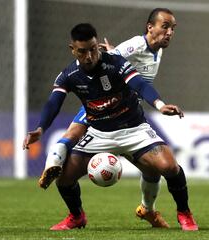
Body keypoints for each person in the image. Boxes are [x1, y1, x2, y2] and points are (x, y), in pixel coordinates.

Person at [23, 22, 198, 231]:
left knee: (169, 166)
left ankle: (184, 213)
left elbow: (140, 85)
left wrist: (160, 105)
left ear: (97, 45)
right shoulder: (68, 75)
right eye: (82, 51)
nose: (89, 56)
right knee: (64, 178)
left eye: (93, 49)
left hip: (134, 129)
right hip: (99, 134)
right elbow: (54, 103)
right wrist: (41, 128)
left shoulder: (115, 62)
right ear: (73, 50)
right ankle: (77, 216)